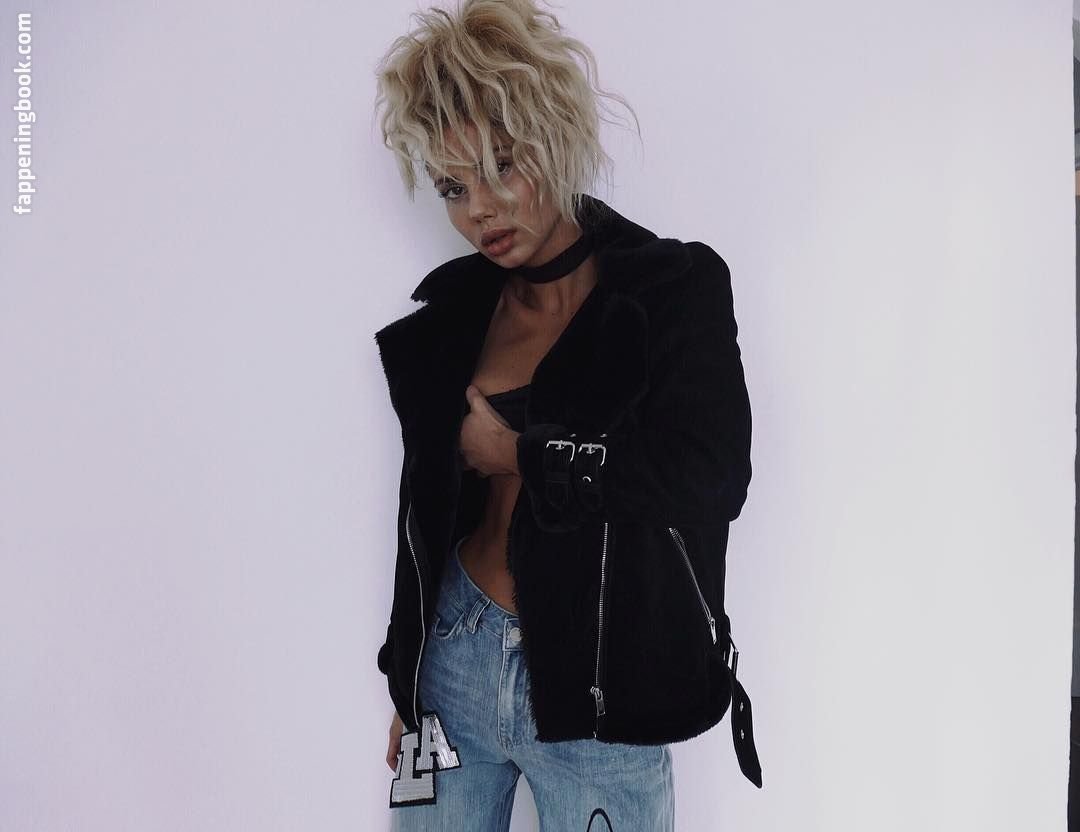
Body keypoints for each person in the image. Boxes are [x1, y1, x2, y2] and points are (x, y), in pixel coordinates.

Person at [371, 0, 760, 828]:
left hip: (602, 696)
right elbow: (422, 509)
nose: (480, 209)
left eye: (502, 167)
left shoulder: (671, 291)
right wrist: (406, 678)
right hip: (452, 663)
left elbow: (710, 476)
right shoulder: (457, 313)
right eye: (453, 187)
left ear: (554, 137)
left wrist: (519, 452)